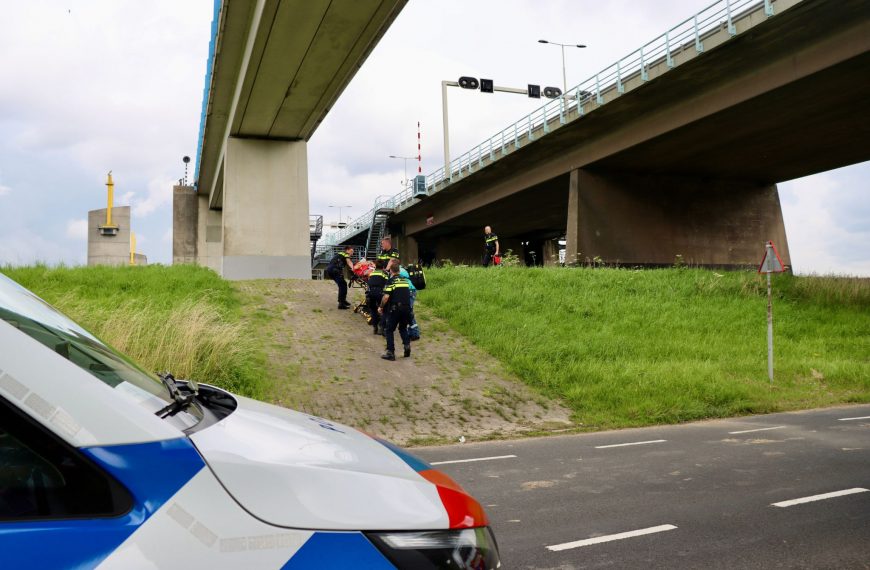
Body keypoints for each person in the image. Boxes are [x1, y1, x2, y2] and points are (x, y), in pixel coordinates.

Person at [378, 264, 412, 361]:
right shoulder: (405, 281)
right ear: (399, 271)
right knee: (403, 328)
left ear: (391, 271)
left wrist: (381, 307)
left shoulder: (391, 281)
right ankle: (407, 347)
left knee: (389, 330)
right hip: (406, 308)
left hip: (396, 309)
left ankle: (390, 352)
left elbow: (386, 297)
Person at [366, 258, 389, 335]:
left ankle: (375, 327)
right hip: (380, 293)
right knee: (384, 309)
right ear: (383, 267)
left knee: (373, 310)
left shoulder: (372, 273)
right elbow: (387, 284)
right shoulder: (384, 274)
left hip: (370, 293)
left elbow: (369, 283)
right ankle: (381, 327)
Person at [398, 265, 420, 341]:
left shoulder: (399, 270)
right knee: (408, 312)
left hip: (409, 291)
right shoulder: (402, 269)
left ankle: (415, 333)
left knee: (409, 312)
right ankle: (412, 332)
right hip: (410, 290)